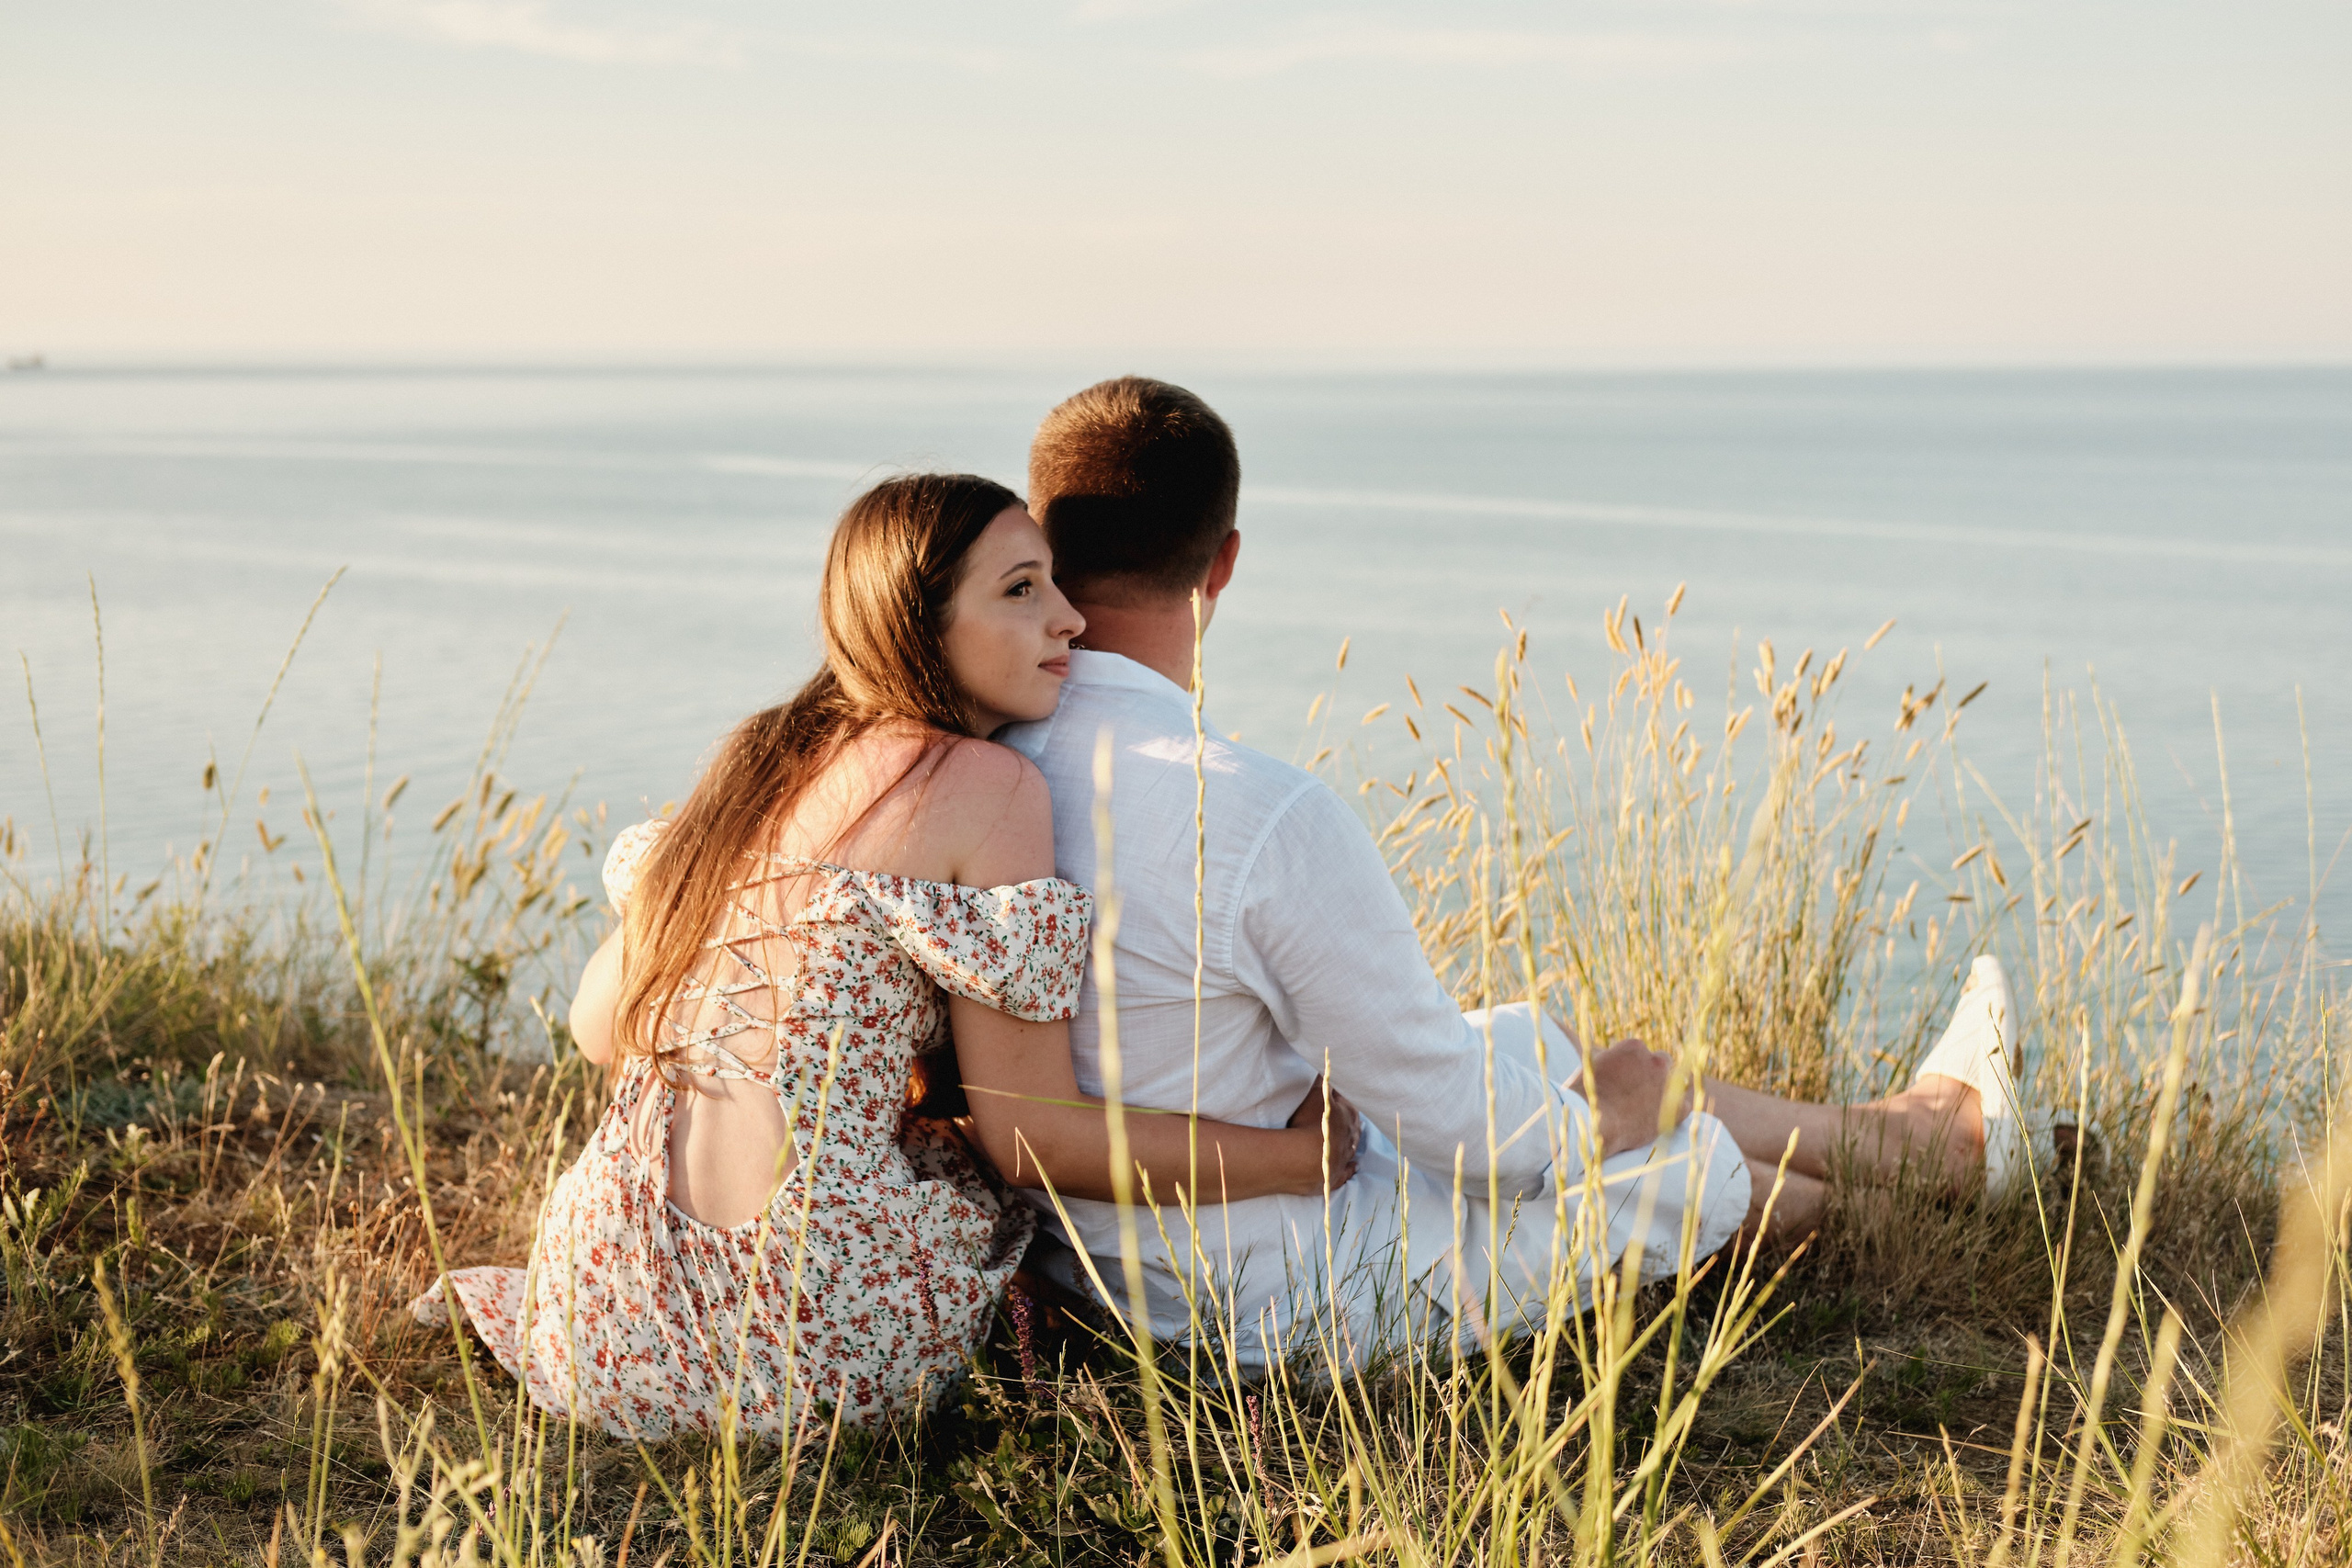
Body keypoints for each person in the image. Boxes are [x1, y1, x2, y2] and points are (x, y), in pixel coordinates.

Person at [1001, 376, 2051, 1366]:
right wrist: (1615, 1112)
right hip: (1268, 1290)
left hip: (1101, 1257)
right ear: (1223, 562)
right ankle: (1923, 1190)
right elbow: (1473, 1140)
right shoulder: (1252, 810)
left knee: (1525, 1044)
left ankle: (1929, 1143)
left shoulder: (982, 769)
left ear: (1044, 544)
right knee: (1654, 1145)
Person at [413, 473, 1359, 1438]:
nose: (1070, 620)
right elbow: (1033, 1141)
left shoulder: (758, 760)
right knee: (980, 1193)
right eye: (1022, 589)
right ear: (920, 622)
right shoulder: (989, 785)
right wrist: (1297, 1156)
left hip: (598, 1314)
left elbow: (598, 1027)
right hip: (803, 1352)